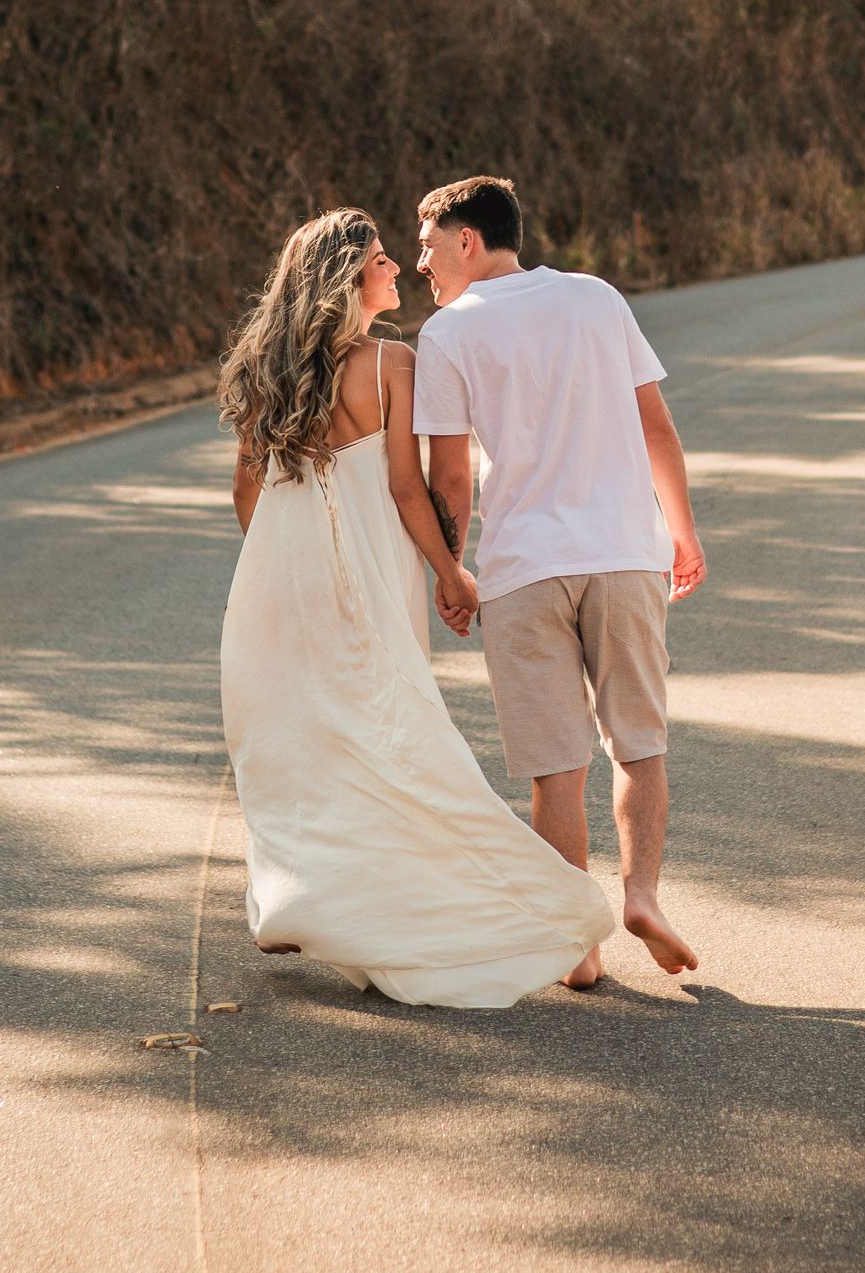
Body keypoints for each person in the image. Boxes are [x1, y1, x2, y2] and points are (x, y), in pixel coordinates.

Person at [218, 207, 615, 1007]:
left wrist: (286, 566)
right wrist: (451, 573)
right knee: (397, 735)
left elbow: (246, 493)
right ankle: (539, 912)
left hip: (278, 586)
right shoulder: (392, 362)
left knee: (311, 739)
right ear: (347, 280)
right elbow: (408, 488)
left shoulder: (267, 367)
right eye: (380, 260)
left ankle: (311, 898)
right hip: (369, 577)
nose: (396, 267)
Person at [411, 174, 705, 988]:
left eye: (429, 246)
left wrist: (452, 569)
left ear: (467, 239)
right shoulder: (597, 298)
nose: (421, 264)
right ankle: (641, 893)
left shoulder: (448, 334)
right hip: (622, 551)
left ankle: (580, 944)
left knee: (556, 766)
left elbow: (452, 482)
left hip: (523, 570)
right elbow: (657, 427)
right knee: (639, 744)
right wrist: (680, 531)